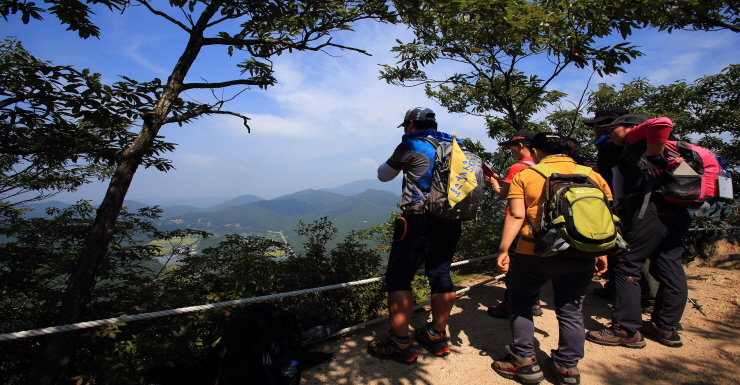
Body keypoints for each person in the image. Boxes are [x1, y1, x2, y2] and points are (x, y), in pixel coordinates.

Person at [492, 132, 609, 385]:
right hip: (581, 251)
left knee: (520, 301)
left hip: (533, 252)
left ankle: (524, 360)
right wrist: (601, 253)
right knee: (571, 309)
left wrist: (503, 250)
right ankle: (567, 367)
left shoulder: (527, 174)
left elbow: (515, 216)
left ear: (535, 151)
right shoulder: (593, 175)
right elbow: (601, 217)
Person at [367, 107, 463, 363]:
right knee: (441, 273)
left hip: (418, 220)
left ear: (410, 124)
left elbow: (384, 175)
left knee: (399, 278)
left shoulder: (412, 143)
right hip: (451, 219)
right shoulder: (455, 144)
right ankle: (437, 335)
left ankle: (400, 343)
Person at [587, 114, 691, 348]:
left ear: (632, 128)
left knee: (625, 264)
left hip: (650, 209)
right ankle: (665, 326)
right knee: (670, 265)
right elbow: (686, 181)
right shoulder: (671, 148)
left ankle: (626, 329)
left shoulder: (640, 142)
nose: (609, 132)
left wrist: (635, 134)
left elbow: (661, 122)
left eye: (614, 127)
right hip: (678, 210)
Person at [584, 108, 659, 312]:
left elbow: (618, 175)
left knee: (626, 247)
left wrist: (617, 205)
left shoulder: (612, 144)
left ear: (607, 125)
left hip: (627, 203)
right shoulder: (635, 143)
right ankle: (615, 287)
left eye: (595, 126)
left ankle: (647, 295)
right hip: (644, 201)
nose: (594, 131)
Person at [485, 131, 543, 319]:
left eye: (511, 147)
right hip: (540, 223)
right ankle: (534, 301)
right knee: (534, 265)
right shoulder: (542, 166)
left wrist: (494, 183)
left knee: (515, 265)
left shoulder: (517, 167)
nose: (511, 151)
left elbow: (504, 195)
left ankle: (511, 305)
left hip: (520, 223)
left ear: (520, 146)